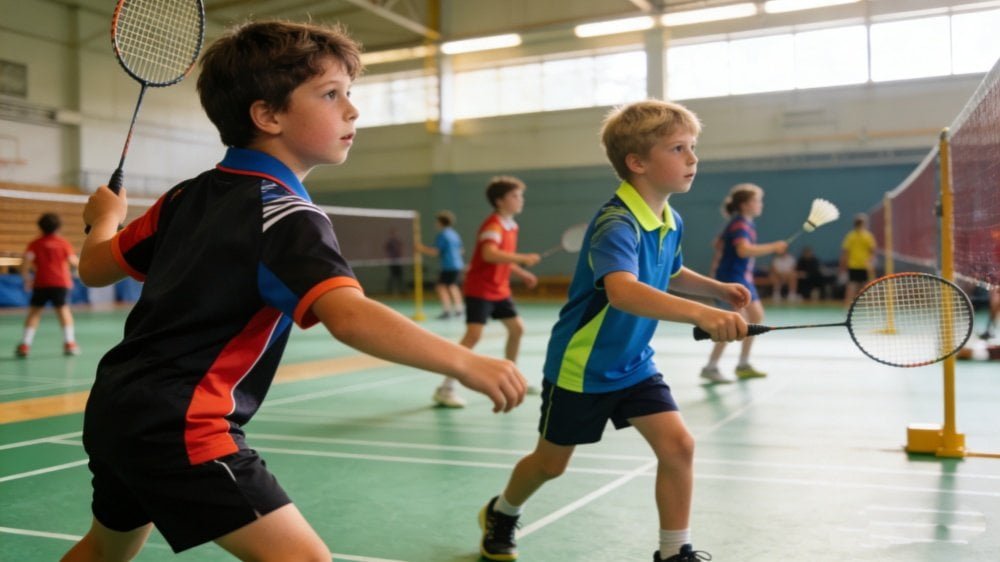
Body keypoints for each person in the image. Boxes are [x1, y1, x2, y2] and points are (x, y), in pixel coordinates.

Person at [62, 20, 527, 562]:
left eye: (348, 93)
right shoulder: (287, 214)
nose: (351, 110)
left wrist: (107, 219)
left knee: (103, 551)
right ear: (268, 115)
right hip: (181, 423)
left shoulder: (184, 196)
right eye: (330, 95)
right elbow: (348, 315)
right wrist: (464, 363)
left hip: (117, 408)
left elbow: (94, 267)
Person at [476, 100, 749, 562]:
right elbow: (624, 291)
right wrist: (701, 316)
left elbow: (670, 270)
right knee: (550, 464)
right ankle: (502, 511)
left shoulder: (669, 218)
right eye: (678, 148)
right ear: (637, 163)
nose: (693, 159)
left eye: (693, 147)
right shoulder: (616, 223)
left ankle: (672, 552)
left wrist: (716, 289)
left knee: (679, 445)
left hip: (634, 363)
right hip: (583, 366)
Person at [431, 176, 541, 409]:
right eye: (515, 196)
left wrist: (521, 273)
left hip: (499, 289)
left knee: (517, 329)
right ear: (500, 201)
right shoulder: (493, 225)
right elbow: (490, 254)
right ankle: (446, 388)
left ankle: (510, 379)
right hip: (480, 288)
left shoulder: (511, 225)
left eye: (520, 195)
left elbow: (502, 258)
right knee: (473, 336)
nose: (520, 200)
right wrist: (522, 258)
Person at [699, 183, 787, 384]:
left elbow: (718, 243)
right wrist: (774, 247)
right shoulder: (740, 224)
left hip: (743, 278)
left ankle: (743, 364)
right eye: (757, 201)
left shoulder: (742, 223)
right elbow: (743, 250)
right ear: (746, 205)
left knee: (755, 317)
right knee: (734, 322)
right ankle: (710, 367)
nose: (760, 205)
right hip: (732, 278)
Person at [15, 212, 80, 358]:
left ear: (40, 227)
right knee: (63, 311)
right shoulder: (63, 243)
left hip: (41, 283)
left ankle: (25, 344)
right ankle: (69, 343)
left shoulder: (35, 244)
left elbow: (25, 264)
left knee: (34, 313)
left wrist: (27, 279)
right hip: (61, 283)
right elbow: (74, 262)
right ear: (58, 228)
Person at [415, 210, 465, 319]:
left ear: (441, 222)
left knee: (441, 287)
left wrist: (420, 248)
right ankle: (459, 309)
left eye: (437, 221)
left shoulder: (443, 235)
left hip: (449, 265)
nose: (436, 224)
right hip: (457, 264)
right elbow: (461, 250)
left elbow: (435, 252)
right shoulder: (454, 234)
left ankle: (447, 311)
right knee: (452, 286)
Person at [839, 213, 877, 307]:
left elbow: (845, 253)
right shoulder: (868, 236)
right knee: (868, 287)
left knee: (852, 287)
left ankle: (847, 306)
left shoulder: (850, 236)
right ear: (864, 223)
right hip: (863, 265)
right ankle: (871, 307)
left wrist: (842, 267)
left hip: (855, 265)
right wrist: (870, 262)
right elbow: (872, 252)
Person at [384, 227, 405, 295]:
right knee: (392, 276)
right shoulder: (389, 242)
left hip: (398, 261)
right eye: (393, 233)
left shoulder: (398, 241)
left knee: (400, 276)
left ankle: (401, 291)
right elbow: (386, 249)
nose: (394, 234)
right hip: (392, 261)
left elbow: (401, 249)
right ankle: (391, 291)